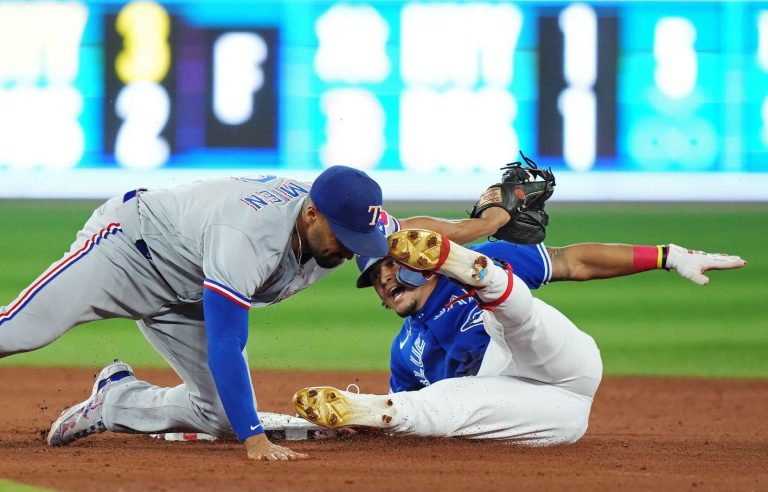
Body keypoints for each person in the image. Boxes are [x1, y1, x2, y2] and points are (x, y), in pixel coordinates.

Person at [0, 166, 390, 461]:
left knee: (219, 416)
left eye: (361, 238)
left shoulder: (345, 210)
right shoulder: (249, 236)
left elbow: (407, 233)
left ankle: (115, 401)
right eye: (345, 237)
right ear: (311, 215)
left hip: (190, 286)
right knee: (17, 332)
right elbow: (226, 341)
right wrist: (254, 438)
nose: (353, 250)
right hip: (128, 253)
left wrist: (454, 234)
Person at [292, 218, 746, 443]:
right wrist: (359, 427)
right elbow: (424, 421)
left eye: (391, 264)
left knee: (514, 316)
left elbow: (575, 261)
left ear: (418, 259)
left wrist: (668, 254)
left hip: (562, 363)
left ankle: (473, 269)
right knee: (446, 405)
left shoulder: (485, 259)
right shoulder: (404, 351)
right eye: (374, 277)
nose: (385, 279)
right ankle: (369, 408)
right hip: (547, 414)